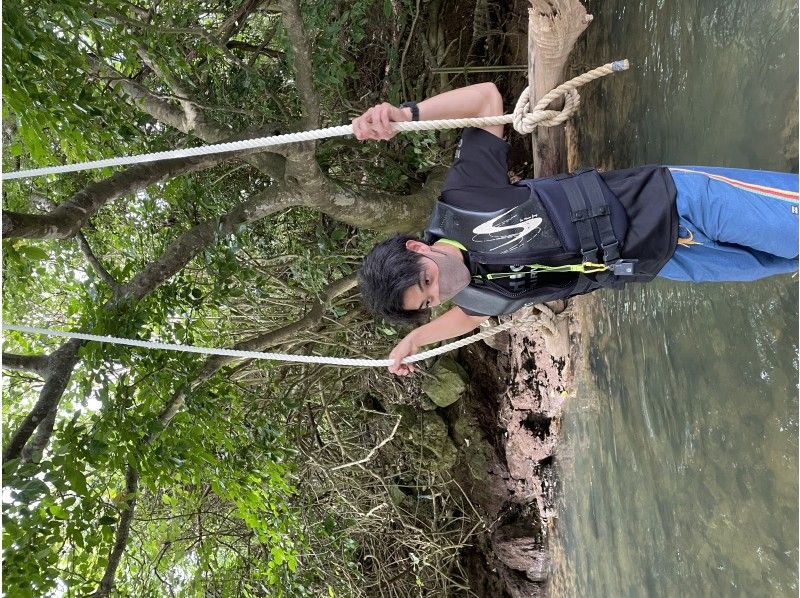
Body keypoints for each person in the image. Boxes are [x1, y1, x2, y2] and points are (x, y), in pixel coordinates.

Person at [352, 83, 799, 375]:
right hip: (664, 260)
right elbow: (469, 316)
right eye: (431, 300)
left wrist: (405, 114)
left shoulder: (463, 199)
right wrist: (415, 338)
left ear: (417, 246)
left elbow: (487, 99)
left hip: (677, 201)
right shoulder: (474, 295)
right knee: (788, 258)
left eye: (429, 279)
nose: (444, 289)